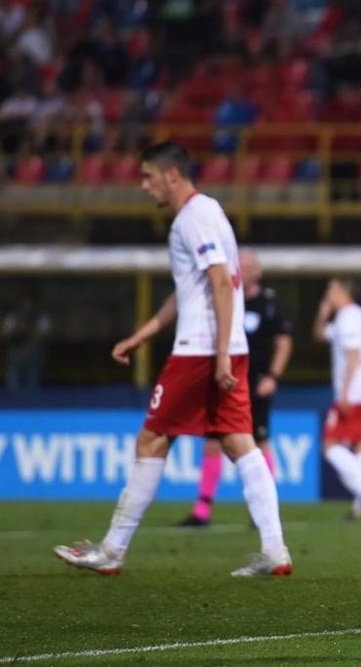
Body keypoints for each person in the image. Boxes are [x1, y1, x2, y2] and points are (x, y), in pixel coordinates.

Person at [53, 141, 291, 577]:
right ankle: (275, 550)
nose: (144, 186)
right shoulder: (212, 211)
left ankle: (112, 549)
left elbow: (221, 283)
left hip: (202, 349)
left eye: (148, 177)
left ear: (173, 176)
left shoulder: (191, 219)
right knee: (240, 442)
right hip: (227, 345)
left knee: (151, 440)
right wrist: (143, 335)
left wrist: (217, 356)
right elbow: (194, 290)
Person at [177, 248, 294, 527]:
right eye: (238, 264)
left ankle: (264, 509)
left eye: (248, 264)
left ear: (258, 271)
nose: (242, 268)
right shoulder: (227, 299)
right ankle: (202, 510)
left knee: (259, 441)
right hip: (226, 381)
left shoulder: (270, 304)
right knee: (213, 441)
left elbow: (284, 342)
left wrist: (274, 377)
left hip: (257, 384)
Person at [313, 278, 361, 520]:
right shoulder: (348, 317)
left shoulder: (350, 317)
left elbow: (353, 354)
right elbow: (319, 335)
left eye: (330, 290)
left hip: (356, 393)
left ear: (342, 292)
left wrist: (345, 392)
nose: (327, 295)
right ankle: (360, 506)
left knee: (330, 445)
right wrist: (323, 314)